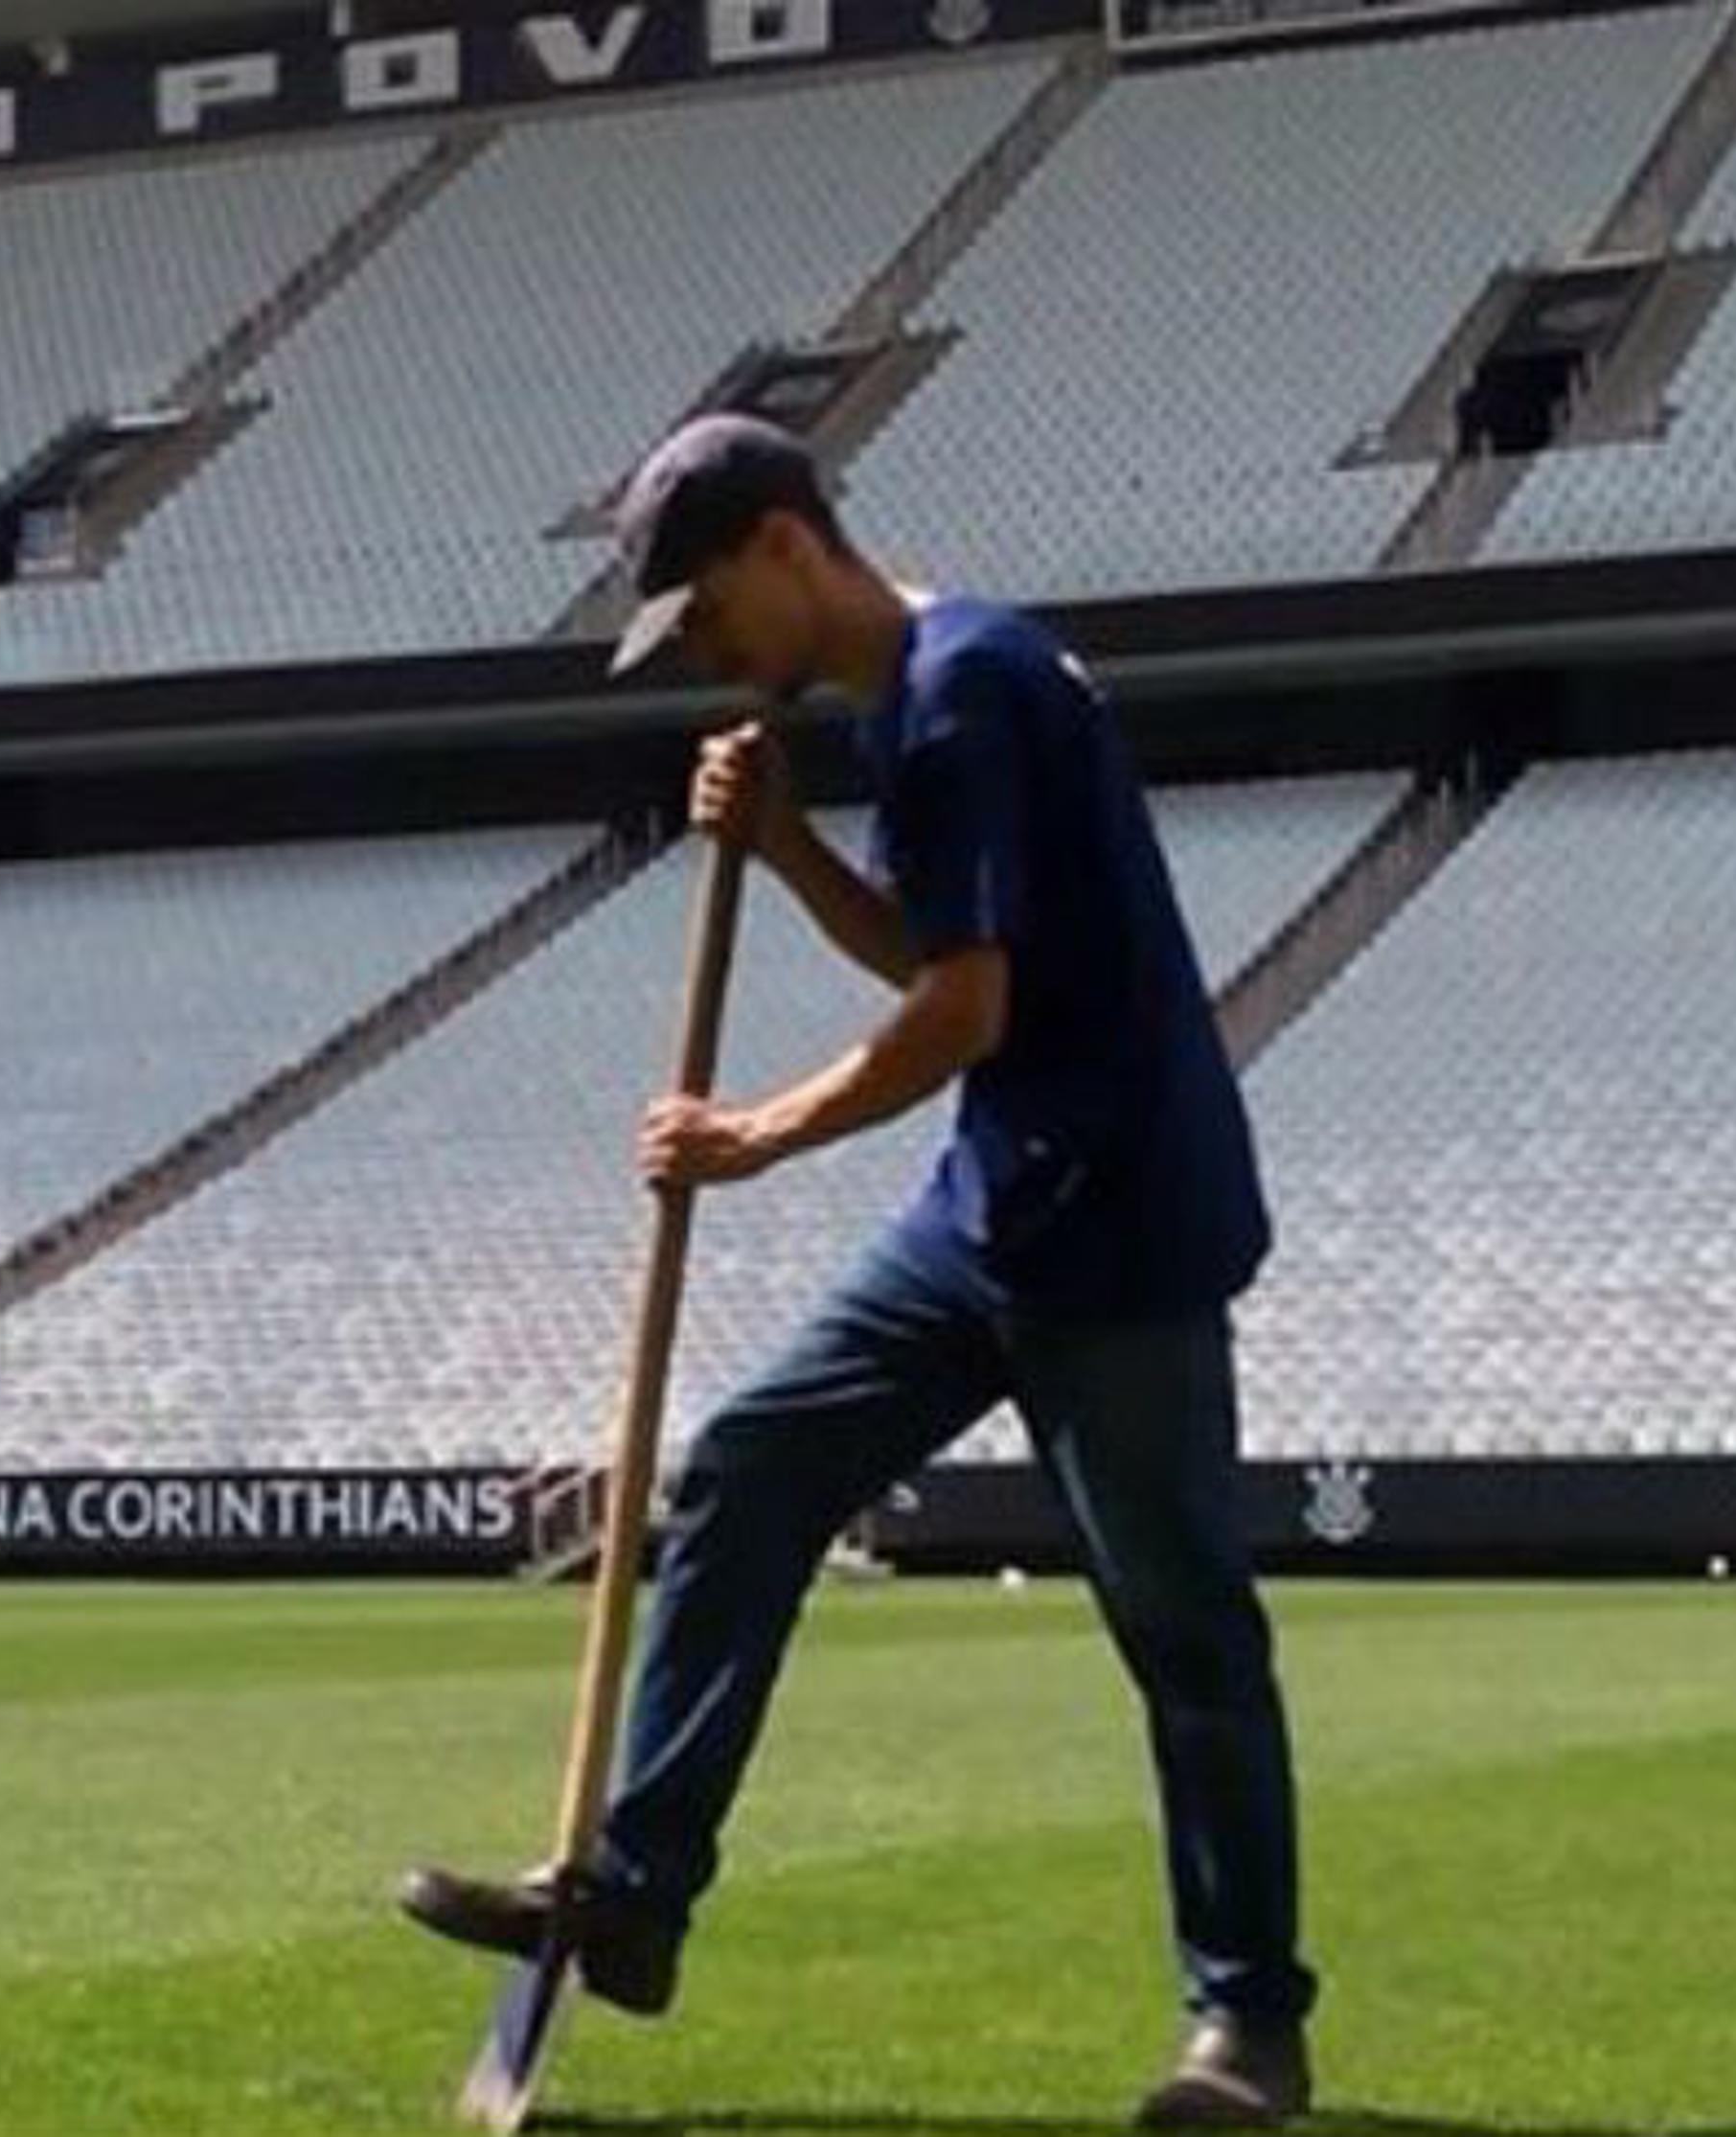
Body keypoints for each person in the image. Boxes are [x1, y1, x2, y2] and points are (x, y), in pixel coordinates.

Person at [400, 415, 1318, 2128]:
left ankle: (1249, 2028)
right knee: (751, 1465)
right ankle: (635, 1892)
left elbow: (967, 1009)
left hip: (1119, 1223)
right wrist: (787, 850)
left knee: (1182, 1624)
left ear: (780, 547)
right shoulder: (914, 699)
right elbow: (935, 945)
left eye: (705, 617)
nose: (710, 659)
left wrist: (750, 1136)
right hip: (993, 1208)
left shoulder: (969, 688)